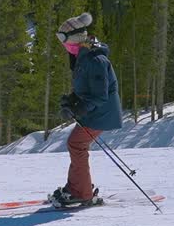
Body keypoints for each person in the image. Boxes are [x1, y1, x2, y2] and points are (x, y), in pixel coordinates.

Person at [50, 12, 123, 208]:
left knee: (76, 144)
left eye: (62, 38)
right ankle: (77, 186)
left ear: (73, 38)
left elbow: (100, 95)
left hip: (102, 112)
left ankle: (81, 192)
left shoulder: (95, 60)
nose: (62, 43)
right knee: (76, 144)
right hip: (95, 111)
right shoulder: (83, 56)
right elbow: (88, 89)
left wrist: (79, 108)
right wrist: (72, 101)